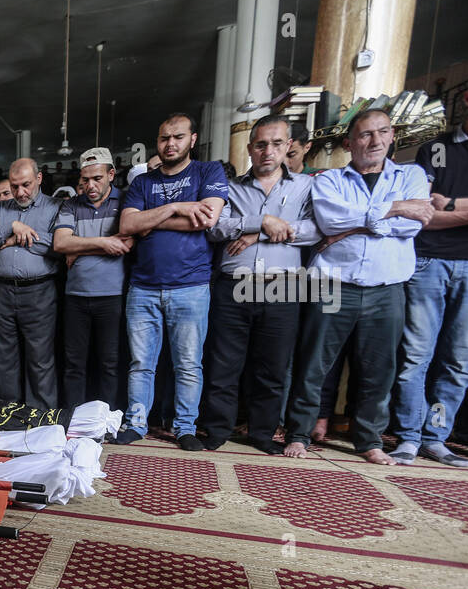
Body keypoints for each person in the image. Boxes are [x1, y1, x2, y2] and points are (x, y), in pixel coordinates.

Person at [283, 109, 433, 465]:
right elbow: (330, 219)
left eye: (382, 132)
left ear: (392, 134)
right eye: (365, 134)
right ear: (350, 142)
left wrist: (359, 222)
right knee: (314, 364)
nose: (375, 141)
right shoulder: (330, 180)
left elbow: (414, 225)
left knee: (378, 368)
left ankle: (368, 440)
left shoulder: (410, 175)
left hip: (386, 288)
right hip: (333, 285)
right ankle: (299, 433)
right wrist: (395, 209)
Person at [391, 68, 468, 468]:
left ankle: (436, 436)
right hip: (429, 259)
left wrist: (451, 204)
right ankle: (409, 436)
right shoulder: (436, 149)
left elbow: (439, 206)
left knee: (458, 359)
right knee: (416, 355)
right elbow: (424, 215)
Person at [200, 116, 318, 453]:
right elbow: (215, 228)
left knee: (272, 365)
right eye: (261, 144)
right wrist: (261, 222)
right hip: (234, 282)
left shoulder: (304, 187)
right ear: (250, 148)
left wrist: (257, 234)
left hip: (282, 285)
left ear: (289, 146)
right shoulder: (230, 187)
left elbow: (316, 230)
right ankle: (217, 429)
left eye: (277, 144)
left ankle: (262, 433)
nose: (268, 151)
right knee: (224, 362)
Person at [117, 113, 229, 448]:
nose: (170, 144)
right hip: (143, 286)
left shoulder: (208, 171)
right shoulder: (142, 183)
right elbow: (127, 226)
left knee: (188, 365)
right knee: (140, 364)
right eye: (164, 138)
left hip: (191, 286)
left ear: (192, 139)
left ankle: (185, 428)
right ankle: (136, 423)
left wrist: (151, 219)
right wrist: (178, 206)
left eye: (177, 137)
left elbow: (207, 219)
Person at [0, 158, 63, 408]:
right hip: (2, 290)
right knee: (5, 356)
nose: (20, 192)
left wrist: (13, 240)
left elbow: (57, 245)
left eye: (25, 184)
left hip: (40, 289)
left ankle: (41, 417)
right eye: (14, 186)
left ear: (39, 178)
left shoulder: (55, 207)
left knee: (40, 358)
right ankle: (8, 413)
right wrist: (11, 226)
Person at [53, 147, 135, 407]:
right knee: (74, 363)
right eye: (85, 179)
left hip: (112, 295)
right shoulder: (71, 204)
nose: (90, 185)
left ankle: (106, 420)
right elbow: (60, 244)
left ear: (111, 174)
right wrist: (103, 242)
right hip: (76, 296)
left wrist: (79, 245)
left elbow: (125, 243)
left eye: (97, 178)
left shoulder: (126, 202)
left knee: (109, 363)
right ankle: (74, 420)